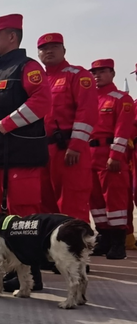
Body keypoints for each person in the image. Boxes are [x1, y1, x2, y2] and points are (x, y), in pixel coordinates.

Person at [0, 14, 51, 291]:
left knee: (24, 218)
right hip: (2, 156)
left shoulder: (27, 67)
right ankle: (16, 271)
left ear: (12, 36)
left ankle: (31, 275)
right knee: (7, 218)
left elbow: (42, 101)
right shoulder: (1, 72)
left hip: (21, 156)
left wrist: (9, 123)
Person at [37, 33, 97, 222]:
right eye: (44, 48)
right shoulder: (37, 80)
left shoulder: (78, 75)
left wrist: (76, 146)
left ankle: (75, 241)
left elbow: (87, 112)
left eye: (54, 47)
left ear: (64, 50)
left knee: (72, 203)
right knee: (44, 205)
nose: (49, 51)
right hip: (41, 151)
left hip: (68, 149)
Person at [89, 59, 134, 259]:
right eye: (94, 72)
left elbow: (123, 129)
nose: (97, 75)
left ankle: (118, 243)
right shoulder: (90, 98)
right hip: (89, 154)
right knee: (95, 200)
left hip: (109, 154)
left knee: (114, 200)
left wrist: (115, 155)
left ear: (112, 73)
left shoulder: (121, 99)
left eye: (102, 71)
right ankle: (104, 238)